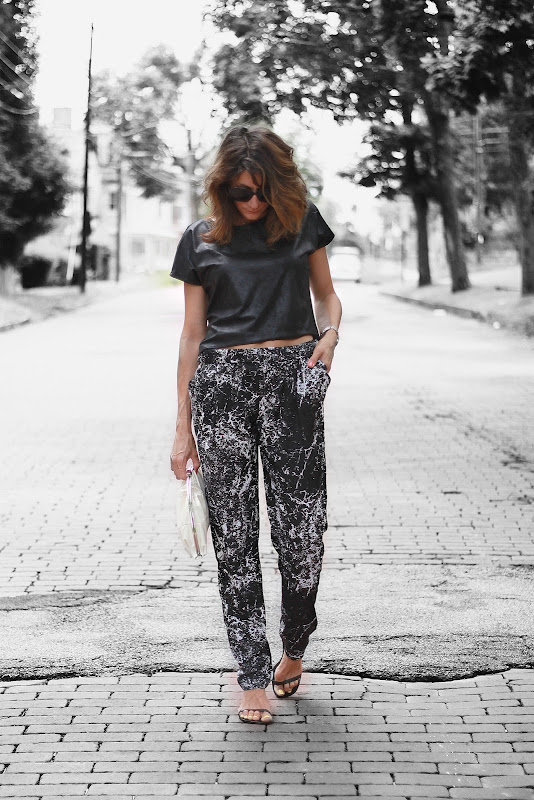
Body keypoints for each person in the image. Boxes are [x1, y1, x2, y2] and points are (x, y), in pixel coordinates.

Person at [169, 125, 342, 725]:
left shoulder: (302, 223)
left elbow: (326, 297)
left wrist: (330, 336)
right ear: (223, 188)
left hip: (292, 380)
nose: (253, 202)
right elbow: (192, 335)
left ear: (280, 185)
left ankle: (295, 644)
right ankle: (250, 674)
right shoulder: (200, 240)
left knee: (303, 536)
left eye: (262, 190)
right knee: (235, 537)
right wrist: (182, 428)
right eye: (241, 192)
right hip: (221, 385)